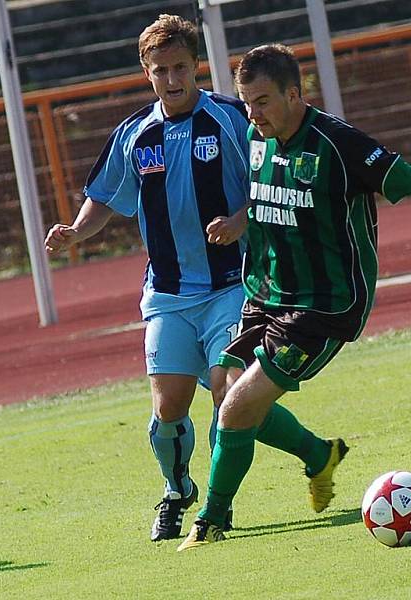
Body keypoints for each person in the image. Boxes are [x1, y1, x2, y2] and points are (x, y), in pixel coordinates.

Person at [177, 43, 411, 550]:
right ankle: (318, 455)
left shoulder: (339, 145)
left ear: (294, 93)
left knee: (236, 409)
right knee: (226, 396)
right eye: (246, 102)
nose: (252, 113)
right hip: (263, 294)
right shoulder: (256, 134)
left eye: (261, 101)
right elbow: (269, 193)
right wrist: (241, 219)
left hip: (323, 306)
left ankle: (211, 520)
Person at [44, 14, 251, 542]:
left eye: (181, 67)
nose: (173, 78)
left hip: (232, 284)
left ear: (196, 65)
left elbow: (270, 177)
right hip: (167, 292)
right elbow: (103, 198)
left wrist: (239, 221)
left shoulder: (231, 118)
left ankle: (219, 507)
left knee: (228, 393)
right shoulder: (135, 134)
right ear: (146, 71)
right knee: (168, 406)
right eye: (161, 70)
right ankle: (178, 489)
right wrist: (75, 232)